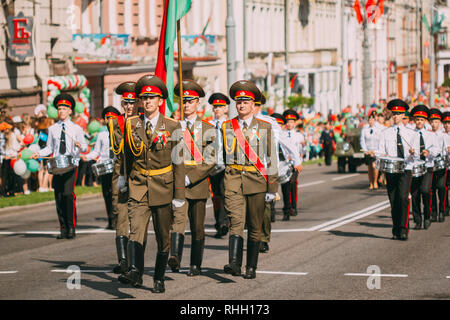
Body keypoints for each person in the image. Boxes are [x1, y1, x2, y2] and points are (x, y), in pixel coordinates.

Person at [120, 75, 185, 293]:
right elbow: (127, 156)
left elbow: (179, 162)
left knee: (163, 237)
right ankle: (135, 271)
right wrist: (122, 178)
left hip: (163, 186)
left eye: (152, 98)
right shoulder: (131, 124)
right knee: (135, 230)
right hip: (138, 184)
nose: (147, 101)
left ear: (160, 101)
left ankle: (158, 277)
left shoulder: (172, 125)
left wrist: (179, 195)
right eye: (144, 98)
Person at [222, 80, 278, 279]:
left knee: (255, 225)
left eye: (246, 102)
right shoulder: (227, 126)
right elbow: (222, 155)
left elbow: (272, 158)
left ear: (254, 105)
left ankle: (251, 267)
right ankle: (234, 264)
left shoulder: (265, 127)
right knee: (236, 221)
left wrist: (272, 187)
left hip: (256, 180)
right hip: (233, 179)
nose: (241, 105)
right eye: (238, 102)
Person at [169, 80, 216, 277]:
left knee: (197, 227)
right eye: (184, 102)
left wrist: (191, 177)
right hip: (177, 183)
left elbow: (211, 159)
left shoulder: (207, 129)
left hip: (197, 185)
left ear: (198, 104)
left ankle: (195, 264)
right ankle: (175, 257)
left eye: (190, 101)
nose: (186, 105)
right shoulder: (173, 127)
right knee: (177, 222)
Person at [32, 93, 87, 239]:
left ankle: (71, 227)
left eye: (64, 108)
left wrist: (79, 145)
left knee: (68, 195)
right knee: (59, 196)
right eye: (59, 108)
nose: (61, 111)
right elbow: (50, 148)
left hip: (71, 164)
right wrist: (38, 153)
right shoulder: (52, 129)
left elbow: (85, 146)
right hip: (57, 165)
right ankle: (63, 228)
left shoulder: (76, 128)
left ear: (70, 111)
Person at [376, 99, 419, 240]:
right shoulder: (385, 132)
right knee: (394, 200)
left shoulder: (411, 133)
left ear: (403, 115)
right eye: (394, 113)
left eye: (399, 113)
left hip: (406, 168)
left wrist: (414, 152)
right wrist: (382, 158)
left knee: (403, 198)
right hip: (391, 170)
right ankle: (395, 228)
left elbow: (417, 153)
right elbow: (380, 151)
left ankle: (403, 229)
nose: (396, 116)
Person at [109, 82, 138, 279]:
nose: (128, 106)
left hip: (138, 175)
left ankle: (135, 261)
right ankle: (123, 261)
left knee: (136, 220)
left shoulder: (142, 123)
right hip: (120, 174)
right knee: (121, 217)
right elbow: (116, 150)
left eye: (132, 102)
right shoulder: (115, 123)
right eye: (125, 102)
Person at [84, 107, 120, 230]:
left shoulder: (121, 132)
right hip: (105, 168)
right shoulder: (102, 135)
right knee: (107, 194)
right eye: (108, 118)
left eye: (113, 118)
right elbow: (96, 152)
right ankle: (110, 220)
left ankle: (118, 219)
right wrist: (87, 157)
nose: (110, 120)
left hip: (117, 168)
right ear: (104, 120)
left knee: (117, 194)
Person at [409, 105, 438, 230]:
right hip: (414, 166)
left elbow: (436, 149)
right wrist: (409, 152)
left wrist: (429, 153)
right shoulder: (410, 134)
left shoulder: (430, 135)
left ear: (425, 121)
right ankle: (417, 220)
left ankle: (427, 216)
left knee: (425, 190)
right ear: (415, 121)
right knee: (415, 194)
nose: (419, 122)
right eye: (417, 120)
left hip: (427, 166)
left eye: (421, 120)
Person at [207, 92, 230, 239]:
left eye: (220, 106)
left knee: (225, 193)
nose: (217, 109)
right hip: (212, 165)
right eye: (215, 106)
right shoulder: (207, 125)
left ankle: (224, 223)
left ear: (226, 108)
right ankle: (219, 223)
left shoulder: (231, 124)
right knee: (216, 196)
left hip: (227, 164)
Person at [281, 109, 304, 220]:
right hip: (285, 163)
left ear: (295, 123)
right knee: (285, 185)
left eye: (292, 122)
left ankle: (293, 206)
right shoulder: (282, 134)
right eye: (288, 122)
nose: (290, 124)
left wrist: (299, 159)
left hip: (295, 163)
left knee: (293, 183)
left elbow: (301, 149)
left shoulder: (298, 136)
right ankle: (287, 207)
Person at [429, 108, 446, 223]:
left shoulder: (445, 136)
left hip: (441, 164)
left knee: (441, 187)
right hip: (430, 164)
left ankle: (442, 210)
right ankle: (434, 212)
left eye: (436, 122)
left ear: (440, 123)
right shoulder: (428, 135)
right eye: (432, 122)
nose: (434, 124)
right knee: (432, 189)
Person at [360, 112, 382, 190]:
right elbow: (362, 140)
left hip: (376, 151)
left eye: (372, 120)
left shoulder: (378, 129)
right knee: (369, 167)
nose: (371, 121)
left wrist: (376, 151)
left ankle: (375, 181)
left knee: (375, 166)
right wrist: (366, 150)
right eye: (369, 120)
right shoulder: (365, 129)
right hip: (368, 151)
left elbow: (380, 140)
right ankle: (371, 183)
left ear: (374, 120)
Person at [442, 111, 450, 217]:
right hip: (445, 165)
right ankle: (445, 207)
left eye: (449, 123)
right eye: (445, 123)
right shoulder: (440, 135)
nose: (447, 125)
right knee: (444, 187)